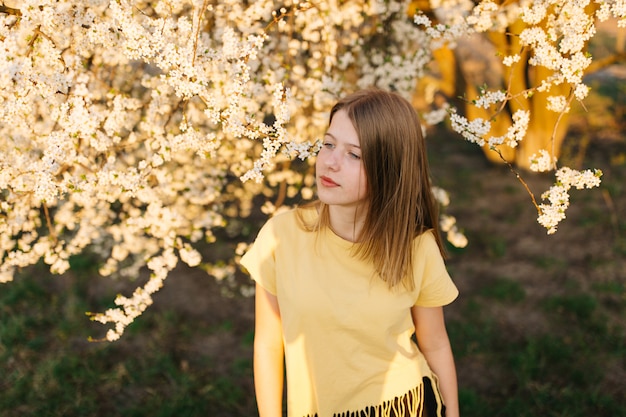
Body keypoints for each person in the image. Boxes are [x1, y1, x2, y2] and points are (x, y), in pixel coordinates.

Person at [240, 88, 460, 417]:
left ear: (388, 169)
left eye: (354, 155)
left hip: (402, 406)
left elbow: (436, 343)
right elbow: (268, 344)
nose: (330, 162)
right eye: (328, 144)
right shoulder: (280, 237)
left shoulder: (414, 247)